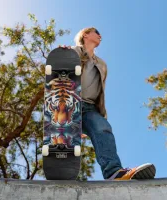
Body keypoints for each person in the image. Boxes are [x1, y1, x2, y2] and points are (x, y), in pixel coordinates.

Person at [60, 27, 156, 180]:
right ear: (85, 34)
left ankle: (114, 173)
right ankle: (61, 169)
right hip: (70, 102)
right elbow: (58, 69)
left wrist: (95, 119)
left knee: (103, 127)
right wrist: (62, 55)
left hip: (90, 108)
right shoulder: (72, 52)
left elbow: (100, 93)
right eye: (96, 32)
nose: (100, 35)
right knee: (69, 139)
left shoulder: (102, 65)